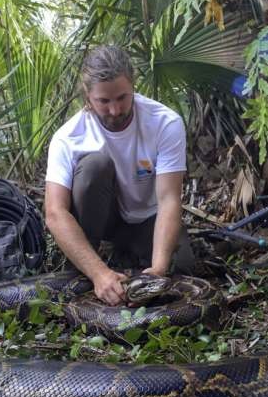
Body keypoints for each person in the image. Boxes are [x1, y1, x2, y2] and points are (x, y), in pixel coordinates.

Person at [45, 45, 194, 306]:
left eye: (122, 98)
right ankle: (87, 264)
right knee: (94, 167)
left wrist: (157, 271)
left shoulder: (165, 122)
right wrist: (98, 273)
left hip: (147, 219)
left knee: (183, 268)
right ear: (87, 97)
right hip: (104, 222)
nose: (115, 110)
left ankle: (128, 255)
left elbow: (169, 199)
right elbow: (55, 213)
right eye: (104, 101)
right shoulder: (67, 137)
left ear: (133, 85)